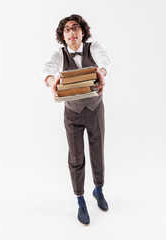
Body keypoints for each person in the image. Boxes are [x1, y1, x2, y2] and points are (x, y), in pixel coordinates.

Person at [41, 14, 111, 225]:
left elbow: (105, 60)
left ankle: (98, 189)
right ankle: (80, 199)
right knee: (76, 156)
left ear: (82, 32)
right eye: (67, 30)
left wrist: (102, 72)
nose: (72, 32)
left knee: (97, 150)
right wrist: (52, 82)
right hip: (72, 113)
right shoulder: (59, 54)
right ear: (63, 36)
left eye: (75, 28)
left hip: (95, 108)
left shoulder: (93, 47)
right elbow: (47, 69)